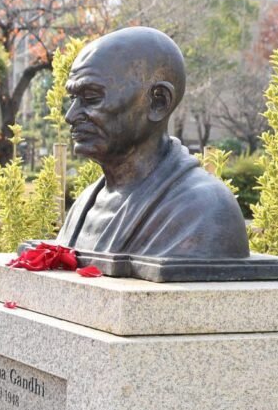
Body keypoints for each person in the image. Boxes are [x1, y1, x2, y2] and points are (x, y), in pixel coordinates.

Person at [56, 26, 249, 259]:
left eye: (91, 98)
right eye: (73, 98)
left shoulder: (203, 210)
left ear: (158, 102)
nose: (71, 116)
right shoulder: (85, 203)